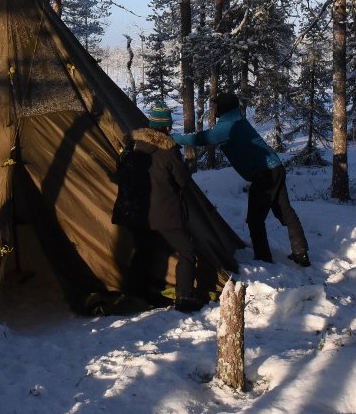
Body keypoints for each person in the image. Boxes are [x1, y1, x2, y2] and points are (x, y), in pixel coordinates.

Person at [173, 92, 310, 267]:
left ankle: (263, 259)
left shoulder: (228, 127)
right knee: (285, 212)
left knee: (255, 219)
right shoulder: (237, 122)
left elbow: (200, 138)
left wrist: (174, 138)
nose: (213, 109)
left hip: (264, 174)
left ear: (223, 108)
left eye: (216, 106)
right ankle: (301, 254)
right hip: (275, 168)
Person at [112, 105, 203, 313]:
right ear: (167, 127)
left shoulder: (133, 146)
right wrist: (187, 167)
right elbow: (181, 181)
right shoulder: (168, 150)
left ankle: (135, 293)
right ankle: (184, 296)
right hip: (164, 215)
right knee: (187, 251)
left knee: (143, 251)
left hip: (135, 214)